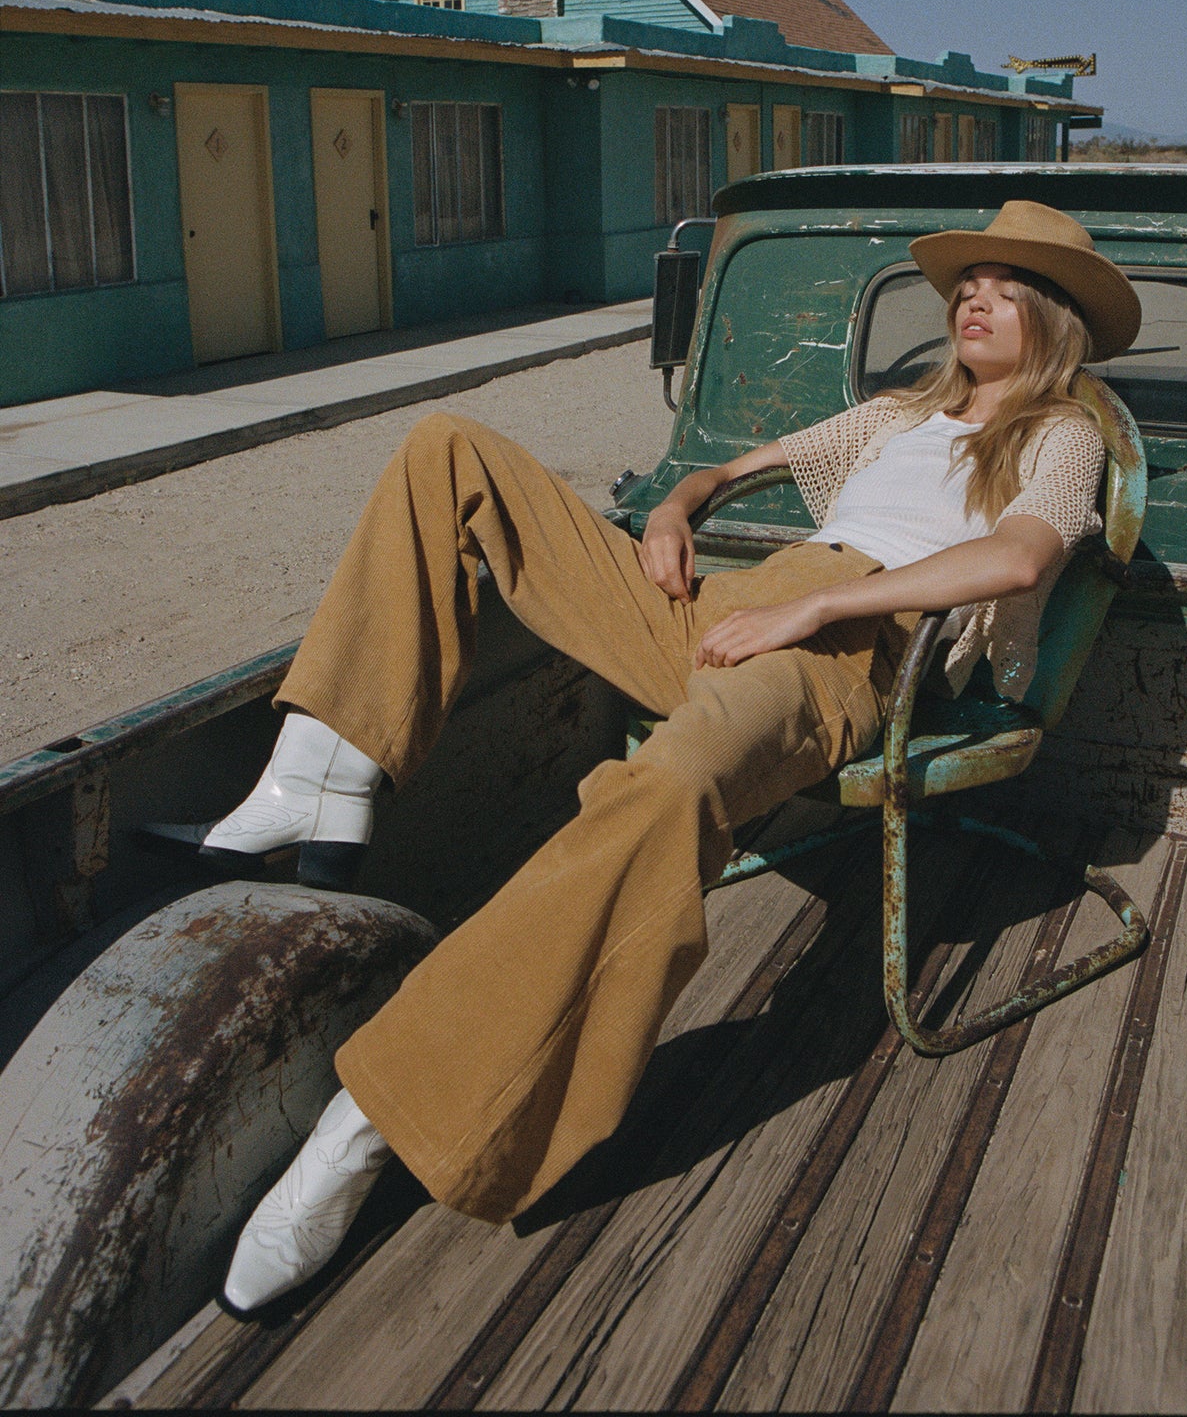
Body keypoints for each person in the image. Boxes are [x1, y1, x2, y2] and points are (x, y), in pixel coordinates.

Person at [210, 200, 1140, 1311]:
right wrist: (674, 511)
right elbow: (725, 473)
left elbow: (1019, 558)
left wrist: (819, 607)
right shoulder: (900, 411)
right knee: (447, 450)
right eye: (966, 286)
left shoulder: (1062, 432)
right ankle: (325, 770)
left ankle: (368, 1121)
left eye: (1005, 289)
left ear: (1054, 317)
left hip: (845, 647)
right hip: (736, 605)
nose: (973, 301)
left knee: (665, 786)